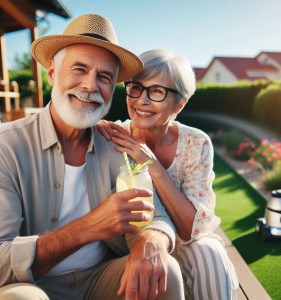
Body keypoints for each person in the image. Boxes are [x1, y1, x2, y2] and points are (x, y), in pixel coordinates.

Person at [0, 15, 185, 300]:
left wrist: (152, 240)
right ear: (52, 74)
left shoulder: (118, 145)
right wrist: (89, 227)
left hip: (103, 280)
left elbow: (156, 217)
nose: (90, 85)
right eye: (79, 69)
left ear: (112, 89)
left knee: (166, 270)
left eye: (104, 77)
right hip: (31, 285)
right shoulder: (6, 145)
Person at [97, 49, 239, 300]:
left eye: (157, 91)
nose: (141, 100)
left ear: (180, 103)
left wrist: (153, 166)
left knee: (208, 253)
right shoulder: (111, 137)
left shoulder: (196, 143)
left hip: (187, 244)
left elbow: (190, 230)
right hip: (131, 247)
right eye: (136, 88)